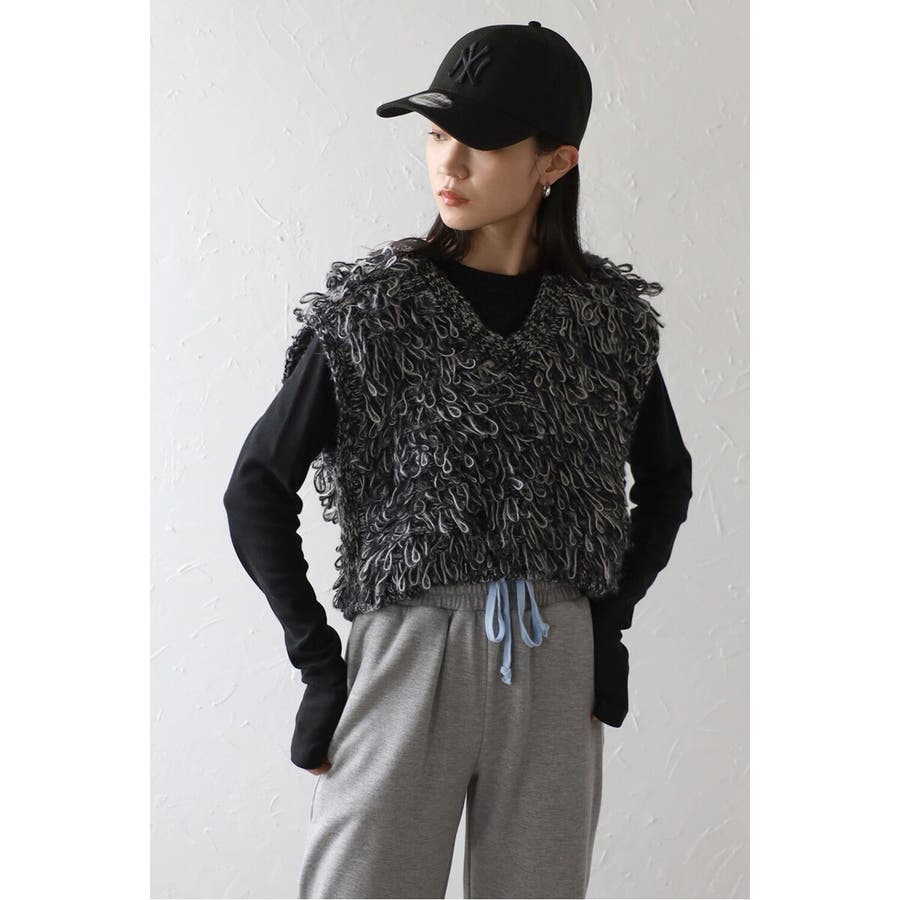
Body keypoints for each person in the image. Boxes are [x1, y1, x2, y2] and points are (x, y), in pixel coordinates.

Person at [223, 20, 692, 900]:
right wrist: (320, 667)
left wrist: (608, 623)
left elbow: (668, 481)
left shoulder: (607, 324)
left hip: (555, 652)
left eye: (481, 142)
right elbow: (255, 489)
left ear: (554, 162)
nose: (450, 163)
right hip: (407, 649)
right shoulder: (375, 311)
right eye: (438, 135)